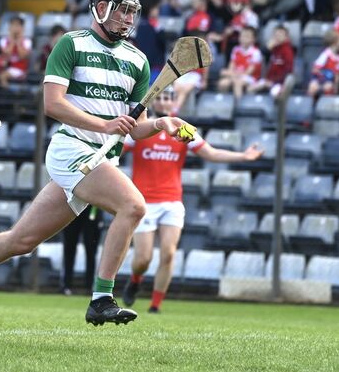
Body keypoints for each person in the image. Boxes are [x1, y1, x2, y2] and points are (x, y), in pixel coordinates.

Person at [0, 0, 193, 329]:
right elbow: (52, 105)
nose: (127, 18)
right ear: (100, 8)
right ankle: (102, 299)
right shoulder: (71, 44)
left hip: (102, 159)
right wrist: (103, 125)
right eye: (121, 10)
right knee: (133, 206)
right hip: (72, 148)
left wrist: (162, 125)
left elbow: (137, 126)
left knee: (19, 240)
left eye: (132, 12)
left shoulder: (138, 60)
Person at [121, 87, 264, 313]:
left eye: (168, 98)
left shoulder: (182, 129)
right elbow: (118, 150)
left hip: (171, 200)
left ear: (175, 102)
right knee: (143, 258)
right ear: (154, 102)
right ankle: (136, 279)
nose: (164, 102)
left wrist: (243, 156)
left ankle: (155, 306)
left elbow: (211, 153)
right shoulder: (142, 129)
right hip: (145, 201)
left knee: (168, 253)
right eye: (160, 98)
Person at [60, 205, 104, 296]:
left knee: (91, 249)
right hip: (73, 206)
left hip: (92, 207)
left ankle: (90, 286)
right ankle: (66, 285)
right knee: (69, 248)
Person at [217, 25, 263, 100]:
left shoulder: (256, 52)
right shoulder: (236, 49)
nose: (243, 38)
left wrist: (231, 74)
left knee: (237, 83)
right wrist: (230, 73)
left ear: (253, 39)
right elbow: (231, 66)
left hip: (251, 78)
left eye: (247, 36)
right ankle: (223, 104)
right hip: (236, 75)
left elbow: (249, 72)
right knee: (222, 83)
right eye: (242, 36)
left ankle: (238, 106)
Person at [249, 24, 294, 97]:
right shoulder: (273, 48)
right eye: (275, 35)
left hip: (280, 83)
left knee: (274, 94)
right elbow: (259, 57)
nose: (277, 37)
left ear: (286, 37)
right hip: (267, 80)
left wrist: (273, 81)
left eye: (280, 34)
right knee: (250, 89)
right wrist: (267, 48)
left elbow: (288, 71)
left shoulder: (288, 51)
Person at [0, 15, 32, 87]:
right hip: (7, 68)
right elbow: (7, 55)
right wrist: (12, 41)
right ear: (9, 27)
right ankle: (10, 91)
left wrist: (19, 42)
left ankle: (10, 92)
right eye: (13, 25)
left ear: (22, 28)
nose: (15, 28)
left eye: (18, 25)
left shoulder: (27, 41)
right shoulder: (3, 40)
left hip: (20, 69)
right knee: (0, 75)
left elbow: (22, 56)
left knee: (2, 76)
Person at [307, 30, 339, 97]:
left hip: (329, 81)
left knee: (329, 87)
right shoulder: (325, 54)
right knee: (312, 86)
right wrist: (323, 78)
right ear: (334, 42)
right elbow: (315, 69)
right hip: (319, 79)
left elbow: (337, 76)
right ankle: (308, 104)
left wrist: (336, 88)